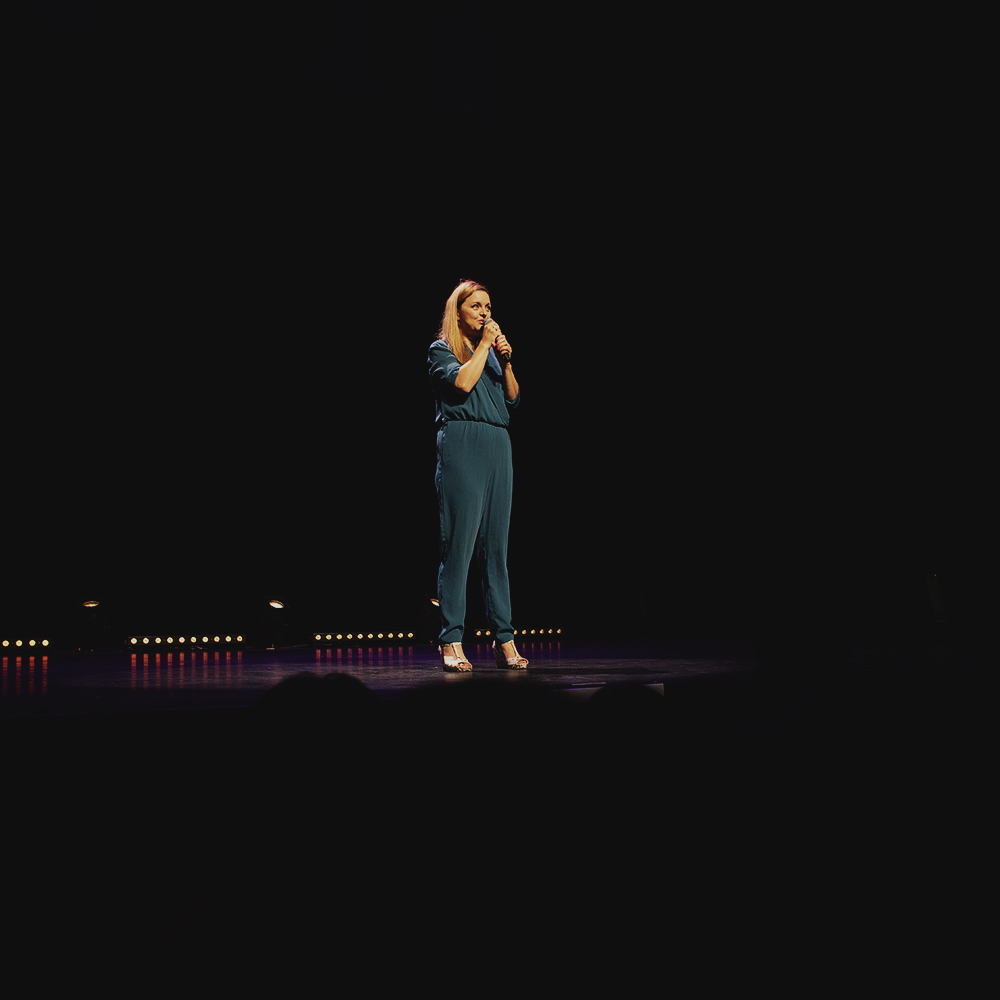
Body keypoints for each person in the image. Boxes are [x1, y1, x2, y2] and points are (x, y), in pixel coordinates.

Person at [428, 279, 529, 672]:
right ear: (458, 313)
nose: (485, 313)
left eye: (488, 306)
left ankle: (504, 637)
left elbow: (513, 398)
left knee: (496, 549)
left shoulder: (491, 354)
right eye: (476, 306)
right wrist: (486, 345)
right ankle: (451, 638)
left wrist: (506, 360)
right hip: (462, 441)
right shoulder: (442, 350)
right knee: (460, 544)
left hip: (498, 443)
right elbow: (462, 383)